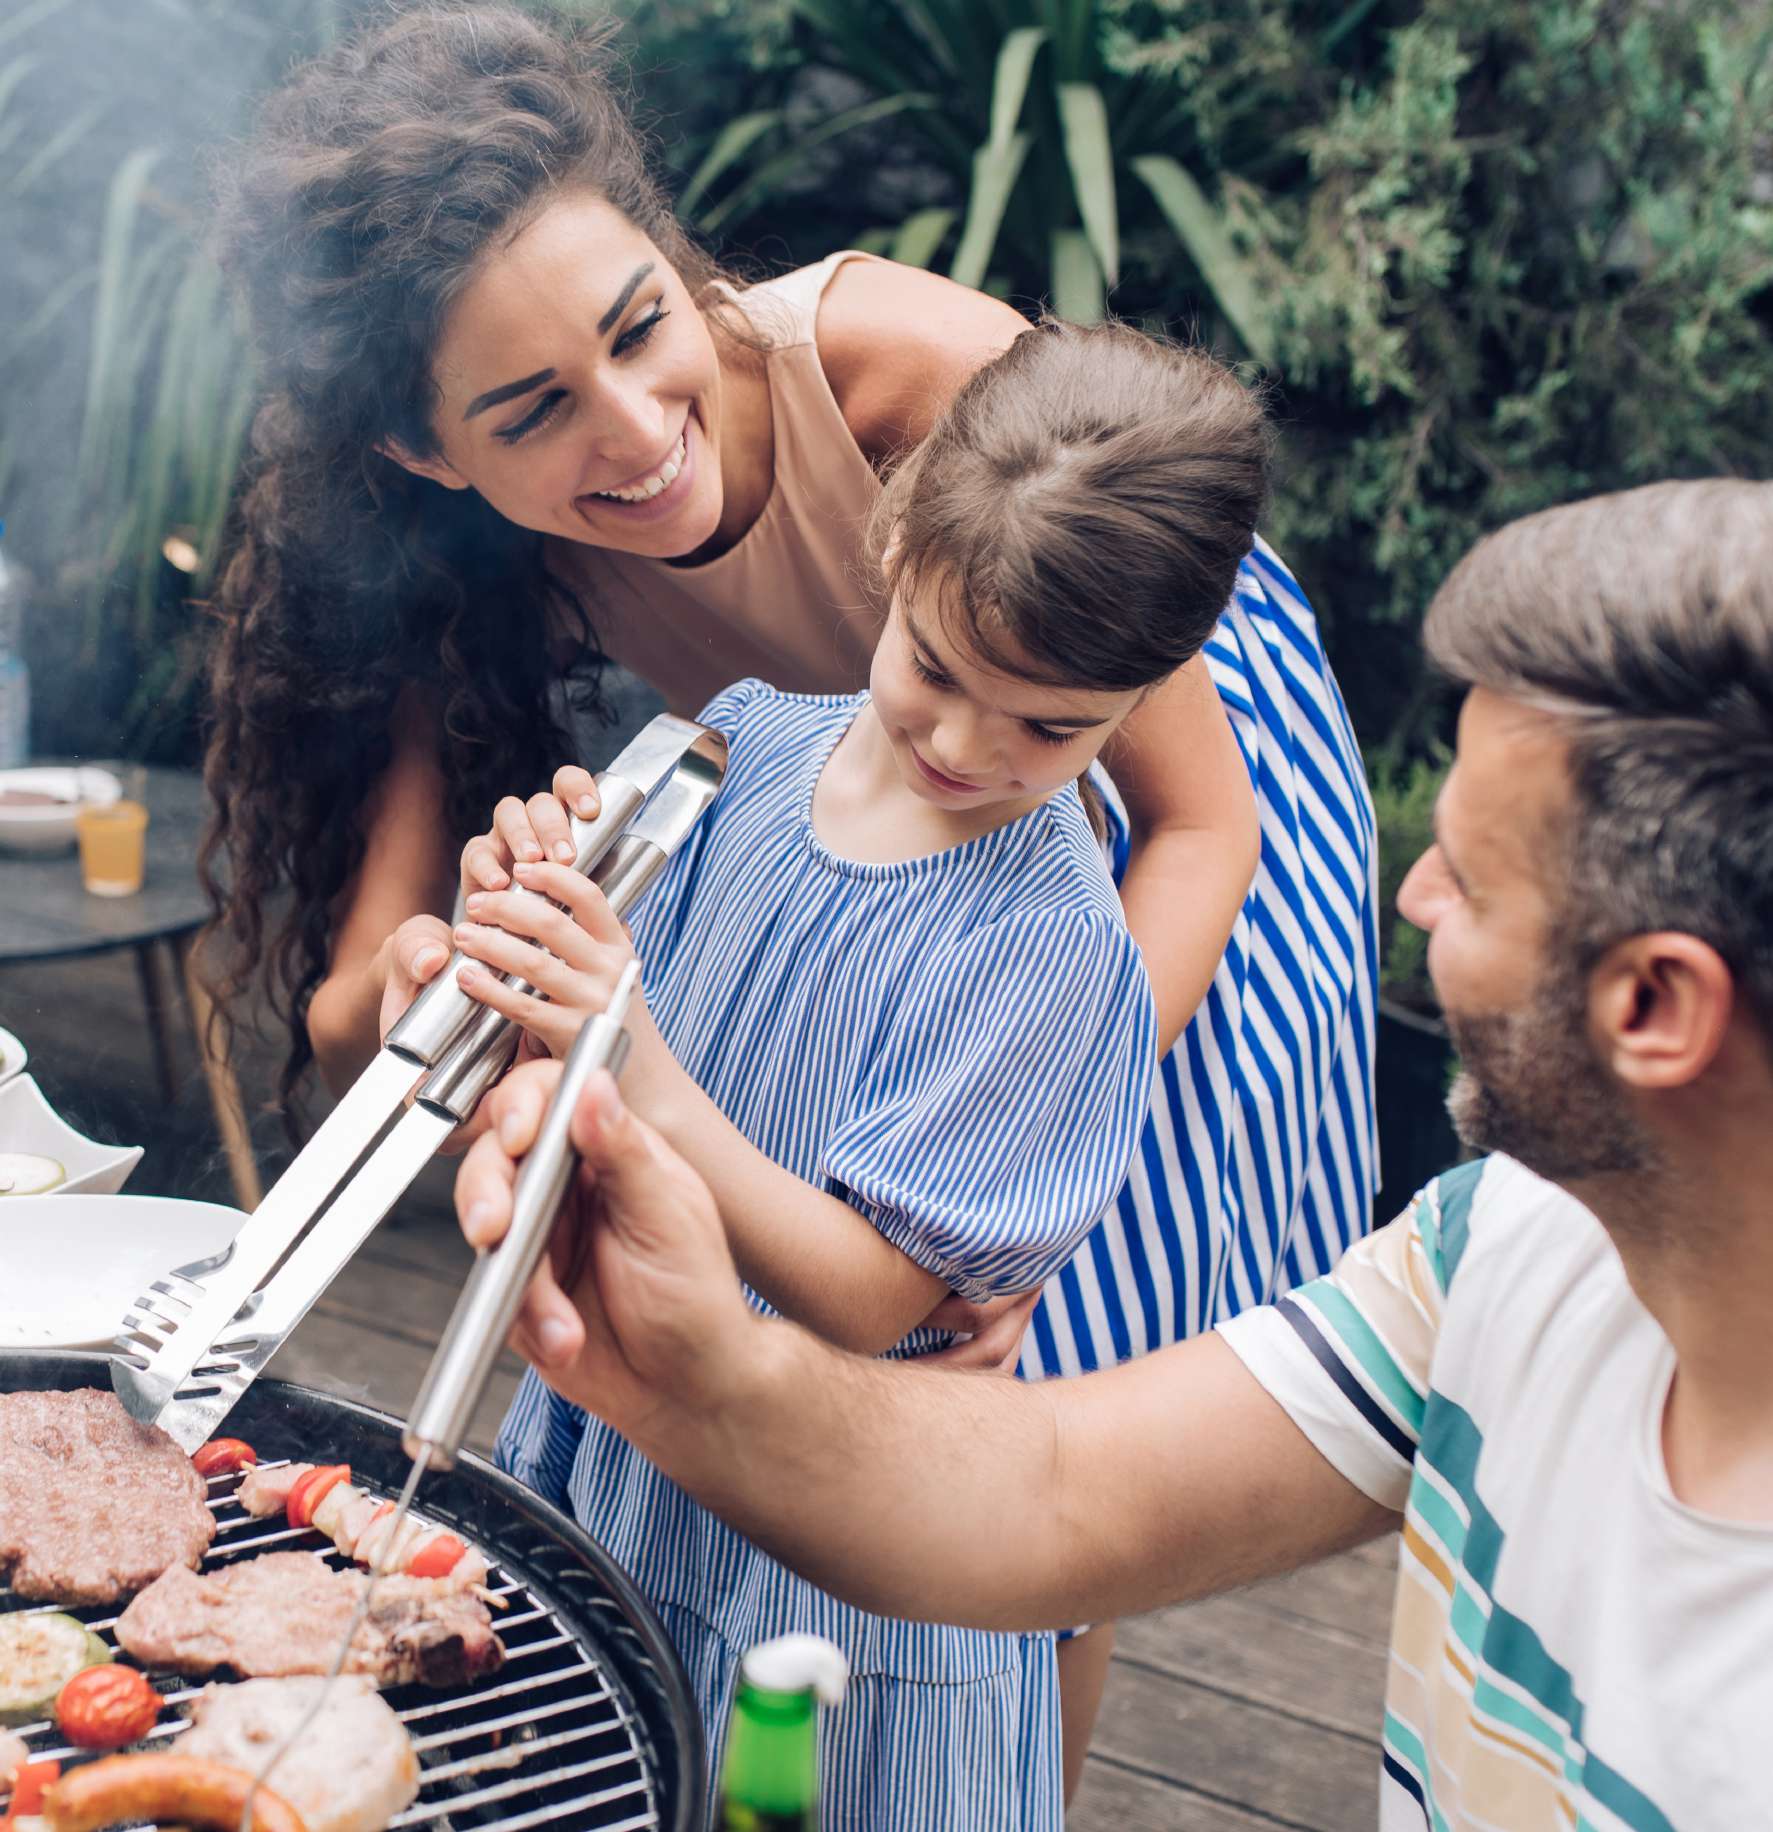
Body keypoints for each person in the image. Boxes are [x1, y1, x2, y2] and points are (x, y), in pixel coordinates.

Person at [200, 1, 1376, 1781]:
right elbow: (361, 991)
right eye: (531, 409)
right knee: (829, 1339)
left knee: (1028, 1388)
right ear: (432, 458)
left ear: (677, 258)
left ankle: (1005, 1786)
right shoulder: (487, 589)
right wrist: (467, 956)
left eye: (638, 325)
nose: (635, 426)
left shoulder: (903, 379)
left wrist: (1020, 1152)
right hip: (850, 834)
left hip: (1137, 793)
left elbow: (1198, 823)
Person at [456, 479, 1773, 1826]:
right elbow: (1061, 1497)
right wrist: (687, 1360)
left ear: (1653, 1008)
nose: (1406, 897)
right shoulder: (1495, 1248)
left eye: (1469, 880)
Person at [434, 316, 1310, 1828]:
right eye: (938, 668)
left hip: (835, 1549)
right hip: (642, 1447)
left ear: (1147, 692)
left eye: (1056, 725)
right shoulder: (737, 749)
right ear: (892, 555)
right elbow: (567, 1064)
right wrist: (540, 909)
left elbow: (865, 1295)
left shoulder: (1050, 952)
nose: (969, 744)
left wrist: (628, 1052)